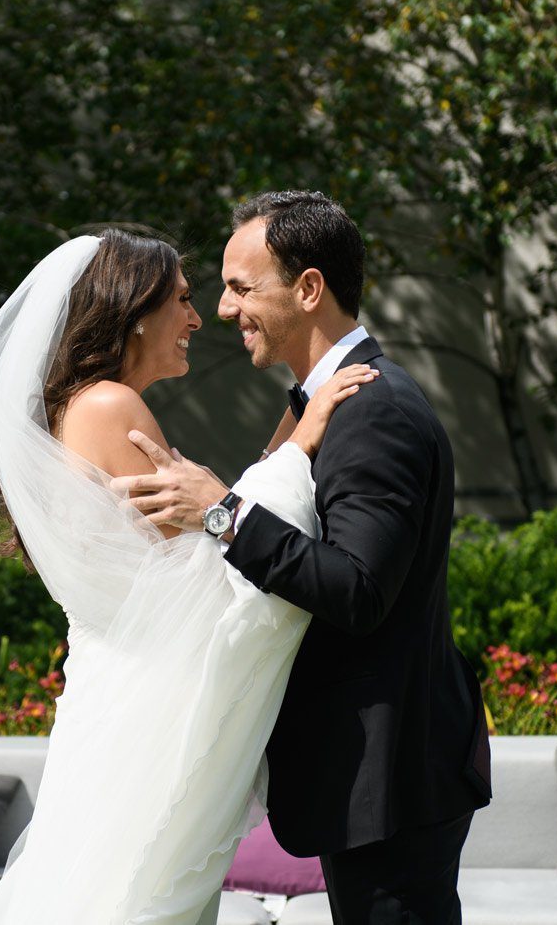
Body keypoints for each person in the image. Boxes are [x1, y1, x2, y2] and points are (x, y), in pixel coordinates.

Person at [0, 228, 374, 925]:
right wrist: (303, 445)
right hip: (144, 707)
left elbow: (195, 530)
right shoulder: (108, 407)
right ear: (134, 311)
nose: (198, 318)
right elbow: (207, 576)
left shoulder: (82, 407)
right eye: (182, 302)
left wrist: (293, 419)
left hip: (117, 692)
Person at [114, 191, 493, 925]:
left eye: (241, 287)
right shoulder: (327, 406)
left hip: (391, 778)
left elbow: (358, 591)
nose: (224, 310)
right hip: (374, 775)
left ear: (310, 288)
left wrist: (222, 514)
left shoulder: (374, 414)